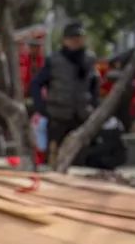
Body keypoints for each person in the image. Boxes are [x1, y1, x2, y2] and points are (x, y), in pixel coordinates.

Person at [30, 21, 100, 166]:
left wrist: (94, 106)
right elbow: (36, 83)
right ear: (65, 40)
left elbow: (94, 85)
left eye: (79, 38)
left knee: (80, 157)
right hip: (58, 116)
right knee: (54, 158)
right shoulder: (54, 60)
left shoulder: (89, 59)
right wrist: (40, 108)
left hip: (81, 116)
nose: (76, 41)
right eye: (72, 38)